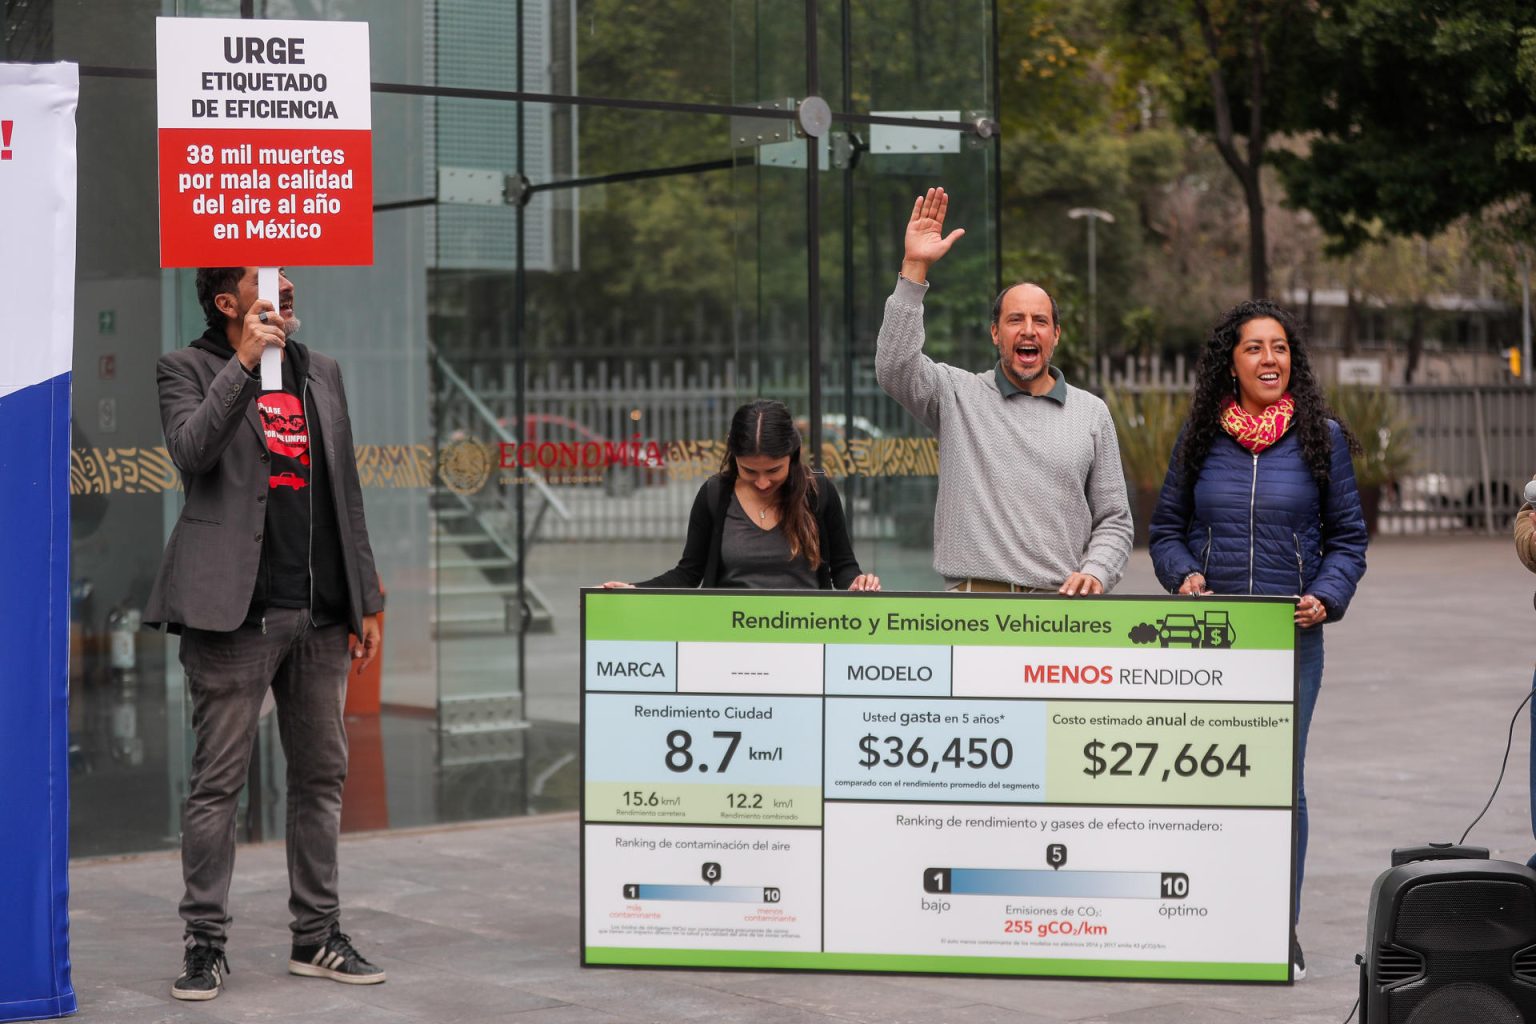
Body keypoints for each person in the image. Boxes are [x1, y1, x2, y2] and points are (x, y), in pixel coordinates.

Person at [146, 267, 387, 1000]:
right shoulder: (184, 369)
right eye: (266, 281)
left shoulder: (324, 373)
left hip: (316, 612)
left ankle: (316, 936)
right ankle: (205, 943)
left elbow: (343, 488)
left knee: (321, 777)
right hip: (233, 614)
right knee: (218, 783)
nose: (286, 289)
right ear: (228, 302)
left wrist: (367, 595)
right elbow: (191, 452)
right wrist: (246, 365)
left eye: (288, 281)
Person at [1148, 299, 1368, 980]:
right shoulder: (1199, 437)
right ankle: (1210, 918)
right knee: (1205, 779)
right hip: (1212, 643)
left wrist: (1326, 596)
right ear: (1230, 361)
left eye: (1279, 348)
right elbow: (1165, 533)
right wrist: (1182, 574)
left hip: (1288, 643)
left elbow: (1348, 541)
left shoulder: (1320, 437)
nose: (1269, 359)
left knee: (1281, 786)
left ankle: (1279, 926)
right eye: (1254, 348)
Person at [874, 186, 1133, 594]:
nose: (1028, 330)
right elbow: (893, 366)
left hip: (1060, 613)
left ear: (1055, 336)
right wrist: (914, 268)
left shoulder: (1091, 413)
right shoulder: (956, 395)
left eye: (1040, 321)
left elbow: (1115, 519)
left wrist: (1097, 570)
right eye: (1015, 320)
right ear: (996, 333)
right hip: (971, 608)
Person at [604, 399, 879, 591]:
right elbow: (688, 573)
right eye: (749, 471)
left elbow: (843, 567)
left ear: (793, 456)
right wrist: (634, 589)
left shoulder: (818, 493)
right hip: (730, 639)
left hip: (806, 636)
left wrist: (858, 583)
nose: (762, 483)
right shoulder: (715, 495)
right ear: (733, 458)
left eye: (773, 470)